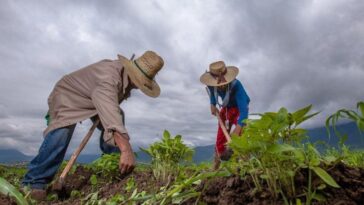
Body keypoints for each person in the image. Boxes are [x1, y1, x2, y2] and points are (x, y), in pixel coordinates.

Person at [22, 51, 165, 200]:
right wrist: (126, 149)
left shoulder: (124, 79)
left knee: (118, 116)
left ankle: (114, 168)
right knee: (62, 132)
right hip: (67, 96)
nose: (140, 86)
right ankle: (34, 182)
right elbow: (111, 115)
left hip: (92, 98)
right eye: (141, 81)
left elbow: (111, 110)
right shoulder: (109, 79)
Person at [200, 61, 250, 168]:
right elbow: (212, 92)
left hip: (239, 109)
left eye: (223, 85)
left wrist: (238, 129)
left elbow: (244, 112)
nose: (220, 87)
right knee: (220, 138)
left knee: (240, 137)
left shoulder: (237, 86)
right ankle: (216, 167)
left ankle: (244, 165)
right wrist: (212, 104)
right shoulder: (211, 84)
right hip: (226, 108)